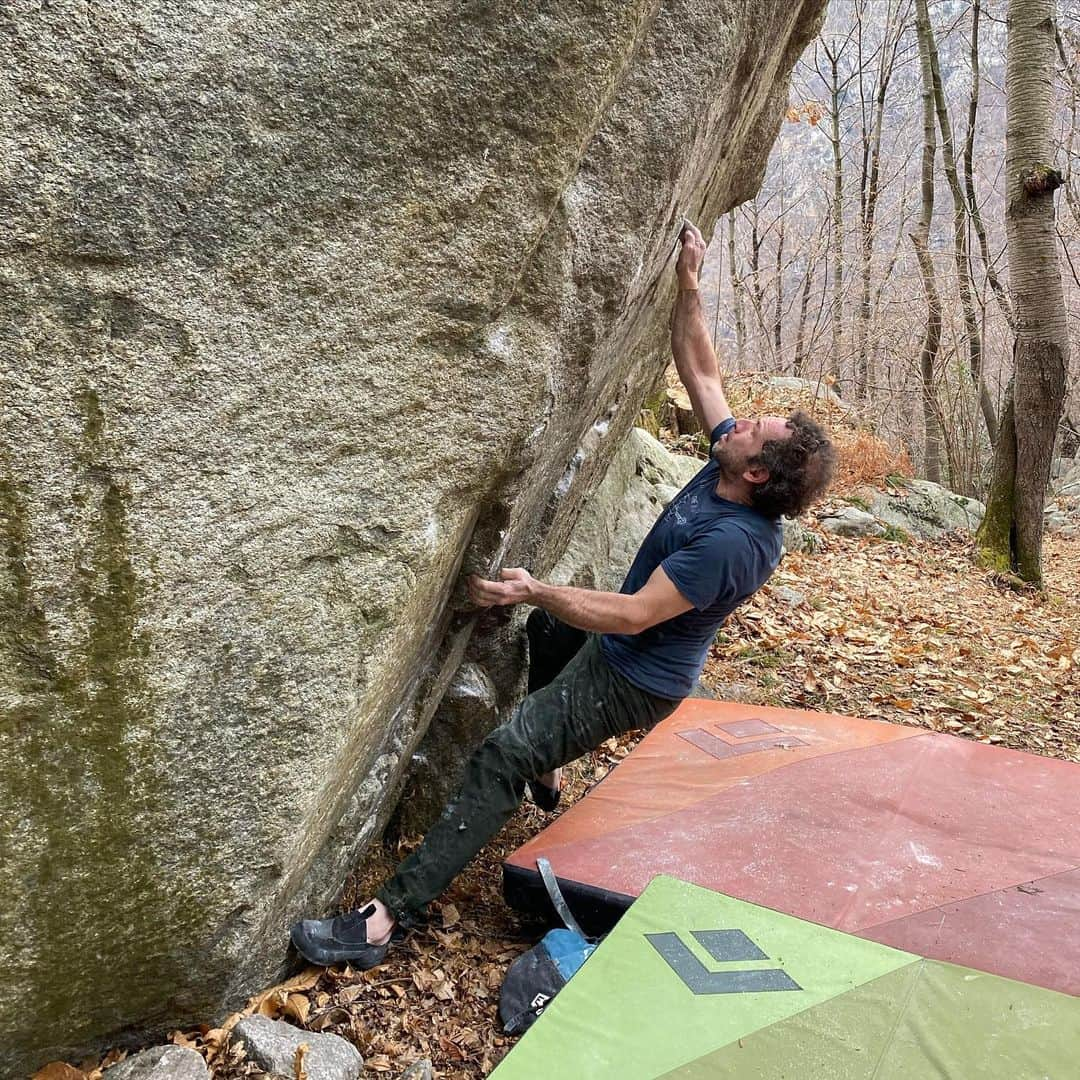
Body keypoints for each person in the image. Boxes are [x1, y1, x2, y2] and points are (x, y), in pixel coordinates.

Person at [290, 223, 836, 969]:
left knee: (502, 753)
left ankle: (388, 918)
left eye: (756, 430)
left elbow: (637, 613)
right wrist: (690, 282)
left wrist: (538, 587)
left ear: (760, 476)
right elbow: (702, 373)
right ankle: (551, 769)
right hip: (616, 640)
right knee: (545, 641)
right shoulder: (730, 461)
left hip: (633, 678)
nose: (741, 421)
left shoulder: (735, 543)